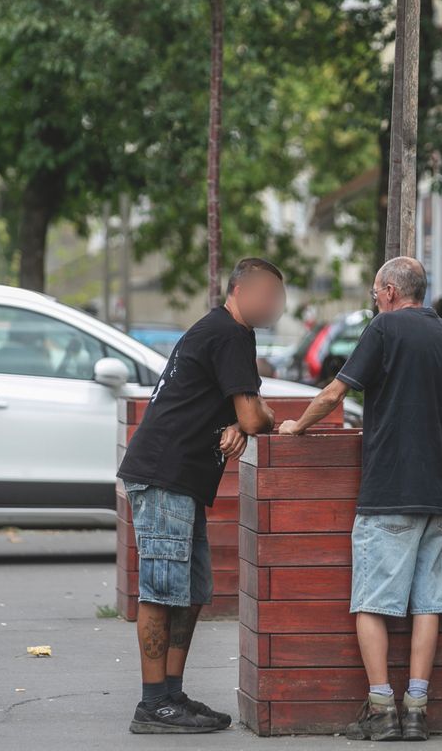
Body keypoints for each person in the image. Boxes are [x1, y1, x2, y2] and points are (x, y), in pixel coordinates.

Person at [278, 256, 442, 742]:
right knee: (427, 605)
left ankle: (383, 710)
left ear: (389, 291)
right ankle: (417, 710)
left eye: (374, 292)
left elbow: (331, 396)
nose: (373, 299)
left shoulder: (383, 330)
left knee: (371, 602)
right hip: (439, 493)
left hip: (389, 490)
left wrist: (295, 426)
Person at [117, 258, 285, 734]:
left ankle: (171, 693)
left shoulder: (230, 332)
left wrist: (238, 420)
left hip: (183, 478)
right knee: (162, 590)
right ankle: (153, 705)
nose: (274, 306)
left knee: (190, 592)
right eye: (268, 295)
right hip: (164, 474)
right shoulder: (227, 332)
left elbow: (241, 414)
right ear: (241, 290)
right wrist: (252, 419)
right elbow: (255, 417)